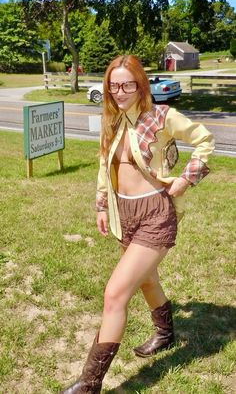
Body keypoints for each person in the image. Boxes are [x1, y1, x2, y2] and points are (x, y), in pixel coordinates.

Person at [61, 55, 215, 393]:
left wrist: (186, 180)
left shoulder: (160, 116)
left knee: (114, 294)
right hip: (124, 214)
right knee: (146, 280)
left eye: (126, 84)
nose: (119, 91)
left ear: (140, 85)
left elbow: (205, 140)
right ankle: (165, 332)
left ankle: (89, 383)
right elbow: (106, 165)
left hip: (155, 215)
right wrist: (102, 205)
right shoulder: (113, 119)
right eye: (113, 85)